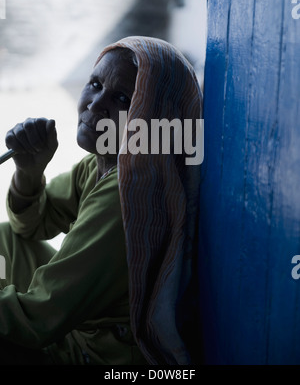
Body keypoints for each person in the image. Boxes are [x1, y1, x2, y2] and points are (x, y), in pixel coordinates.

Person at [0, 36, 203, 365]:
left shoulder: (128, 194)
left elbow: (39, 320)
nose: (95, 105)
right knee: (6, 239)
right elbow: (31, 226)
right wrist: (29, 172)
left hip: (101, 357)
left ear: (150, 118)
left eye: (122, 98)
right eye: (95, 83)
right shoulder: (106, 161)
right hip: (76, 330)